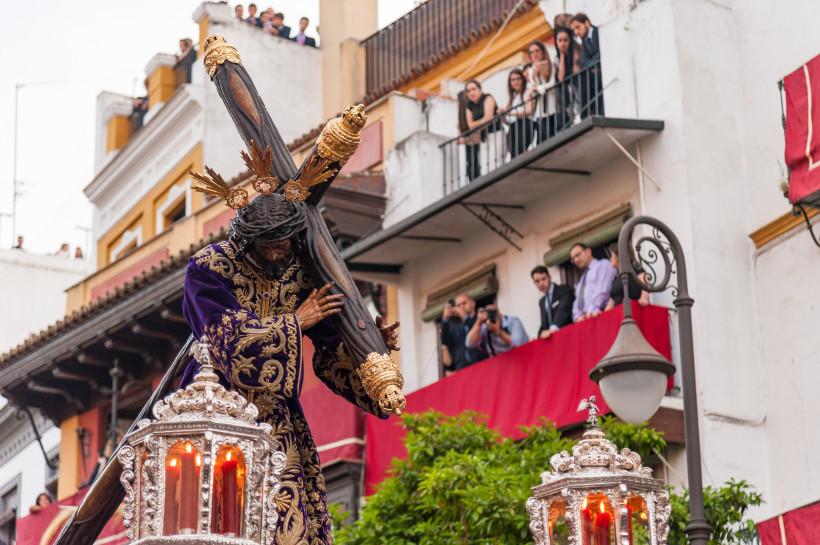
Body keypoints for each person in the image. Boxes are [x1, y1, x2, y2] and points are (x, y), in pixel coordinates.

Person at [182, 188, 401, 544]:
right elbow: (226, 337)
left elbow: (333, 346)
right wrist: (295, 323)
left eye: (282, 244)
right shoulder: (209, 268)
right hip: (215, 405)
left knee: (287, 514)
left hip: (276, 419)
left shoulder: (300, 274)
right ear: (246, 240)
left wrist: (372, 347)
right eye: (266, 245)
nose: (275, 253)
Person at [464, 79, 504, 179]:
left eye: (473, 89)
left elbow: (488, 118)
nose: (471, 92)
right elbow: (470, 126)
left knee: (496, 164)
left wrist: (480, 124)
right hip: (483, 139)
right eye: (468, 91)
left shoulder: (488, 98)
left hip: (496, 134)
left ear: (480, 90)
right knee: (485, 168)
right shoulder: (469, 106)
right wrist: (484, 122)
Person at [570, 242, 617, 322]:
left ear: (588, 251)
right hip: (586, 321)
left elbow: (603, 291)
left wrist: (591, 311)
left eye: (578, 255)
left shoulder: (603, 265)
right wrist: (577, 317)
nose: (576, 260)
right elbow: (577, 302)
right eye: (573, 258)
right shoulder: (581, 280)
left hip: (600, 316)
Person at [440, 293, 486, 374]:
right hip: (463, 372)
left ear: (473, 304)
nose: (461, 307)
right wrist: (445, 320)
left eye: (464, 303)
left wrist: (465, 317)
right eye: (458, 305)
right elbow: (445, 343)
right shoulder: (455, 328)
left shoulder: (481, 319)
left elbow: (478, 330)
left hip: (482, 367)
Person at [570, 13, 604, 117]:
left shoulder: (599, 32)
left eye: (578, 27)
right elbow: (583, 62)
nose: (576, 32)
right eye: (574, 30)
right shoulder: (584, 40)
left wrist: (592, 64)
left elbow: (602, 53)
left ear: (587, 23)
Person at [531, 266, 575, 339]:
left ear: (550, 277)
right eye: (537, 281)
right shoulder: (541, 302)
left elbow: (563, 311)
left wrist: (553, 329)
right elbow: (544, 325)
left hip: (569, 336)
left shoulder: (564, 290)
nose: (541, 283)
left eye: (543, 279)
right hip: (554, 342)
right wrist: (537, 338)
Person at [604, 242, 649, 310]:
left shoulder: (633, 269)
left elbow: (645, 280)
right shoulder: (616, 279)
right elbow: (611, 304)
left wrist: (643, 299)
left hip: (632, 311)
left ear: (618, 256)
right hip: (618, 314)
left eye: (612, 256)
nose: (610, 259)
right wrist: (602, 315)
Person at [525, 41, 555, 143]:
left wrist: (537, 88)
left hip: (552, 104)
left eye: (537, 51)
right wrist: (534, 74)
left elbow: (551, 83)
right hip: (541, 109)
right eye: (532, 52)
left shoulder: (551, 64)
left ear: (543, 51)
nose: (535, 54)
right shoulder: (531, 70)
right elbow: (533, 86)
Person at [501, 69, 533, 158]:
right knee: (513, 154)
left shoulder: (528, 93)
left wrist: (510, 113)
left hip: (524, 125)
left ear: (523, 80)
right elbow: (508, 121)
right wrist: (503, 115)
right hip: (513, 128)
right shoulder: (512, 98)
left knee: (520, 151)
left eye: (518, 79)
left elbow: (528, 111)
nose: (516, 82)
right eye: (512, 80)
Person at [553, 26, 581, 130]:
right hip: (565, 92)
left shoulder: (576, 51)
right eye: (559, 40)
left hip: (576, 86)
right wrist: (562, 56)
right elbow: (560, 77)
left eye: (565, 40)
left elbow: (576, 70)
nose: (562, 44)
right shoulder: (557, 59)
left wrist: (573, 50)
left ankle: (578, 118)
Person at [456, 90, 481, 183]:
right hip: (470, 149)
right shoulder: (461, 120)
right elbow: (458, 140)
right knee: (471, 169)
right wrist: (469, 139)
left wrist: (465, 140)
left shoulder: (471, 114)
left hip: (476, 148)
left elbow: (477, 138)